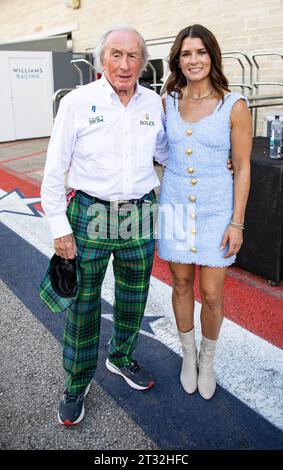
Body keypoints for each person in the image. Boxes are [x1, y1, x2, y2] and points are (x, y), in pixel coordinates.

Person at [40, 25, 168, 425]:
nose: (125, 64)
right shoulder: (77, 102)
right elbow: (54, 169)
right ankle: (77, 382)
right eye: (116, 54)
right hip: (90, 215)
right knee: (83, 302)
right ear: (101, 60)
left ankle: (121, 356)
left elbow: (167, 152)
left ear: (142, 61)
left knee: (134, 294)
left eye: (132, 56)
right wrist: (60, 227)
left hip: (139, 212)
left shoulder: (153, 103)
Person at [158, 24, 252, 400]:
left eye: (200, 52)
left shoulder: (235, 105)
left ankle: (207, 360)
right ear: (177, 60)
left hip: (217, 210)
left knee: (212, 294)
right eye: (186, 53)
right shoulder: (166, 101)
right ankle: (188, 355)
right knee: (180, 284)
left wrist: (237, 222)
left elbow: (243, 166)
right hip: (176, 205)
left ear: (212, 55)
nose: (193, 60)